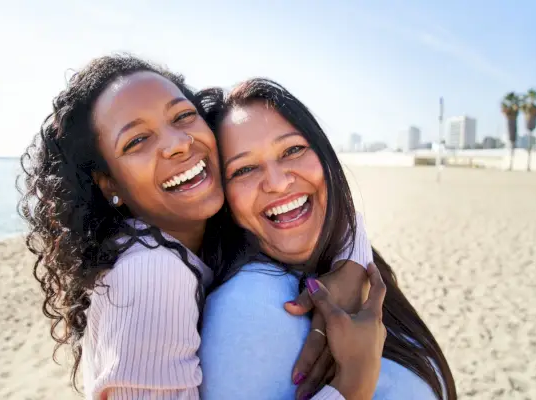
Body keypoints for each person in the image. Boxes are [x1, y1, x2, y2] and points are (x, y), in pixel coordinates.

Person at [18, 55, 387, 400]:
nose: (178, 144)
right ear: (109, 184)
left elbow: (325, 207)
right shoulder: (151, 272)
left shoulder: (196, 234)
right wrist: (353, 380)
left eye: (182, 117)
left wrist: (351, 269)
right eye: (137, 141)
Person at [196, 78, 458, 400]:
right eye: (244, 170)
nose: (277, 183)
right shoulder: (246, 308)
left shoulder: (354, 263)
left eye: (293, 150)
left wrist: (353, 260)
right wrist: (352, 385)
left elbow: (346, 218)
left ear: (325, 155)